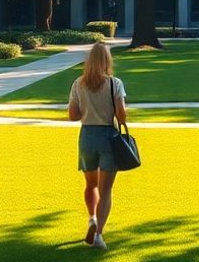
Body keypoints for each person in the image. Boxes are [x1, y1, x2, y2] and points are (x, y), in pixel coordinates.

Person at [68, 43, 128, 250]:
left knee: (90, 184)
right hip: (108, 136)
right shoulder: (115, 83)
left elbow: (72, 116)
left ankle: (91, 219)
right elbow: (121, 116)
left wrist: (87, 107)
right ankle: (99, 235)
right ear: (107, 61)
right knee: (106, 189)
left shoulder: (78, 83)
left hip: (86, 136)